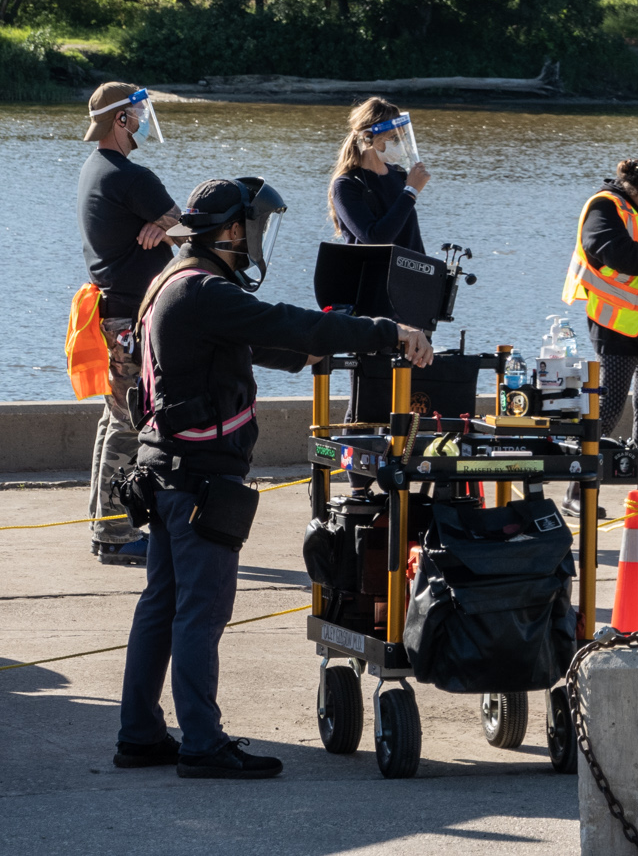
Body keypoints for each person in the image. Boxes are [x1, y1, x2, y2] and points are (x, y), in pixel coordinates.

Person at [117, 177, 431, 779]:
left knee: (162, 603)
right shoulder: (208, 290)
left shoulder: (173, 283)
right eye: (254, 227)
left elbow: (252, 340)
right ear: (232, 230)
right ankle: (202, 745)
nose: (256, 239)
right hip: (200, 481)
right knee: (200, 612)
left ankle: (139, 735)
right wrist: (387, 331)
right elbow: (283, 322)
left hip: (164, 472)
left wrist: (306, 349)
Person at [77, 83, 182, 566]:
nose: (141, 119)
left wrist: (159, 227)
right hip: (128, 318)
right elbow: (192, 230)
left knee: (112, 418)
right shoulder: (130, 176)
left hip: (108, 311)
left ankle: (104, 524)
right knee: (126, 422)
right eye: (136, 112)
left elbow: (169, 227)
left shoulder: (93, 170)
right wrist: (168, 226)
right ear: (120, 120)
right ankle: (117, 532)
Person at [566, 153, 638, 516]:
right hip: (616, 327)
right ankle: (577, 489)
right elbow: (616, 254)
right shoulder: (605, 206)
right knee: (608, 407)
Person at [328, 98, 430, 252]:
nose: (399, 143)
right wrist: (410, 192)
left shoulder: (399, 174)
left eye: (402, 137)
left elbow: (410, 238)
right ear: (368, 137)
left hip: (406, 273)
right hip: (371, 273)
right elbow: (375, 239)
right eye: (394, 138)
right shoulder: (347, 185)